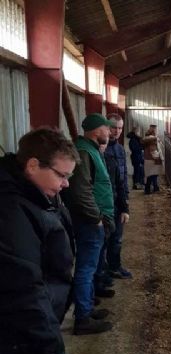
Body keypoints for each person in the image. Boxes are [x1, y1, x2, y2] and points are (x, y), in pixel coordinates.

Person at [0, 128, 79, 354]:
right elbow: (24, 289)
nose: (66, 184)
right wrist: (51, 351)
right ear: (33, 166)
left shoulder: (35, 195)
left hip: (31, 331)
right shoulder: (11, 211)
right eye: (62, 175)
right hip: (22, 342)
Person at [62, 113, 115, 335]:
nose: (110, 132)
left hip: (94, 220)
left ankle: (87, 305)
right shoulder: (84, 151)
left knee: (90, 266)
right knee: (85, 267)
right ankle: (82, 318)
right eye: (107, 128)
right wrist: (97, 218)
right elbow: (80, 191)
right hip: (90, 222)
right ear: (96, 130)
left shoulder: (90, 149)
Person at [104, 114, 132, 279]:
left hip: (118, 198)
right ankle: (103, 271)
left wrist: (125, 200)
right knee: (104, 239)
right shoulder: (102, 149)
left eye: (120, 128)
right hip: (106, 199)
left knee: (117, 237)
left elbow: (123, 175)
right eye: (113, 127)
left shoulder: (120, 149)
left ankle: (115, 266)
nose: (117, 131)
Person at [143, 124, 162, 194]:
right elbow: (153, 149)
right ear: (153, 130)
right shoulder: (151, 138)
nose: (157, 131)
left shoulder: (150, 137)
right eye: (156, 130)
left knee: (153, 174)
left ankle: (155, 187)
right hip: (151, 159)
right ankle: (148, 189)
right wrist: (157, 158)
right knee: (151, 175)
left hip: (149, 158)